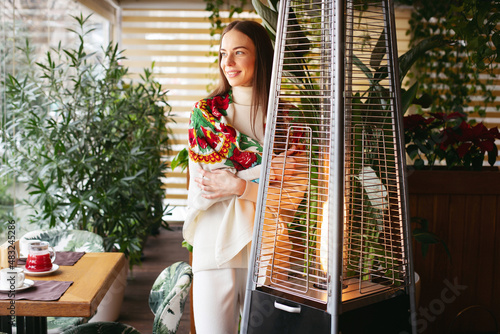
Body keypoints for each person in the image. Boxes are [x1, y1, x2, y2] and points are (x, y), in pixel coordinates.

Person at [183, 20, 306, 334]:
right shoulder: (204, 115)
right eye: (224, 53)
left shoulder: (287, 120)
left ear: (261, 58)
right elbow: (206, 187)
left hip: (269, 246)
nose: (228, 62)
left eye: (239, 52)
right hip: (214, 246)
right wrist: (270, 170)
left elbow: (293, 193)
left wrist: (239, 185)